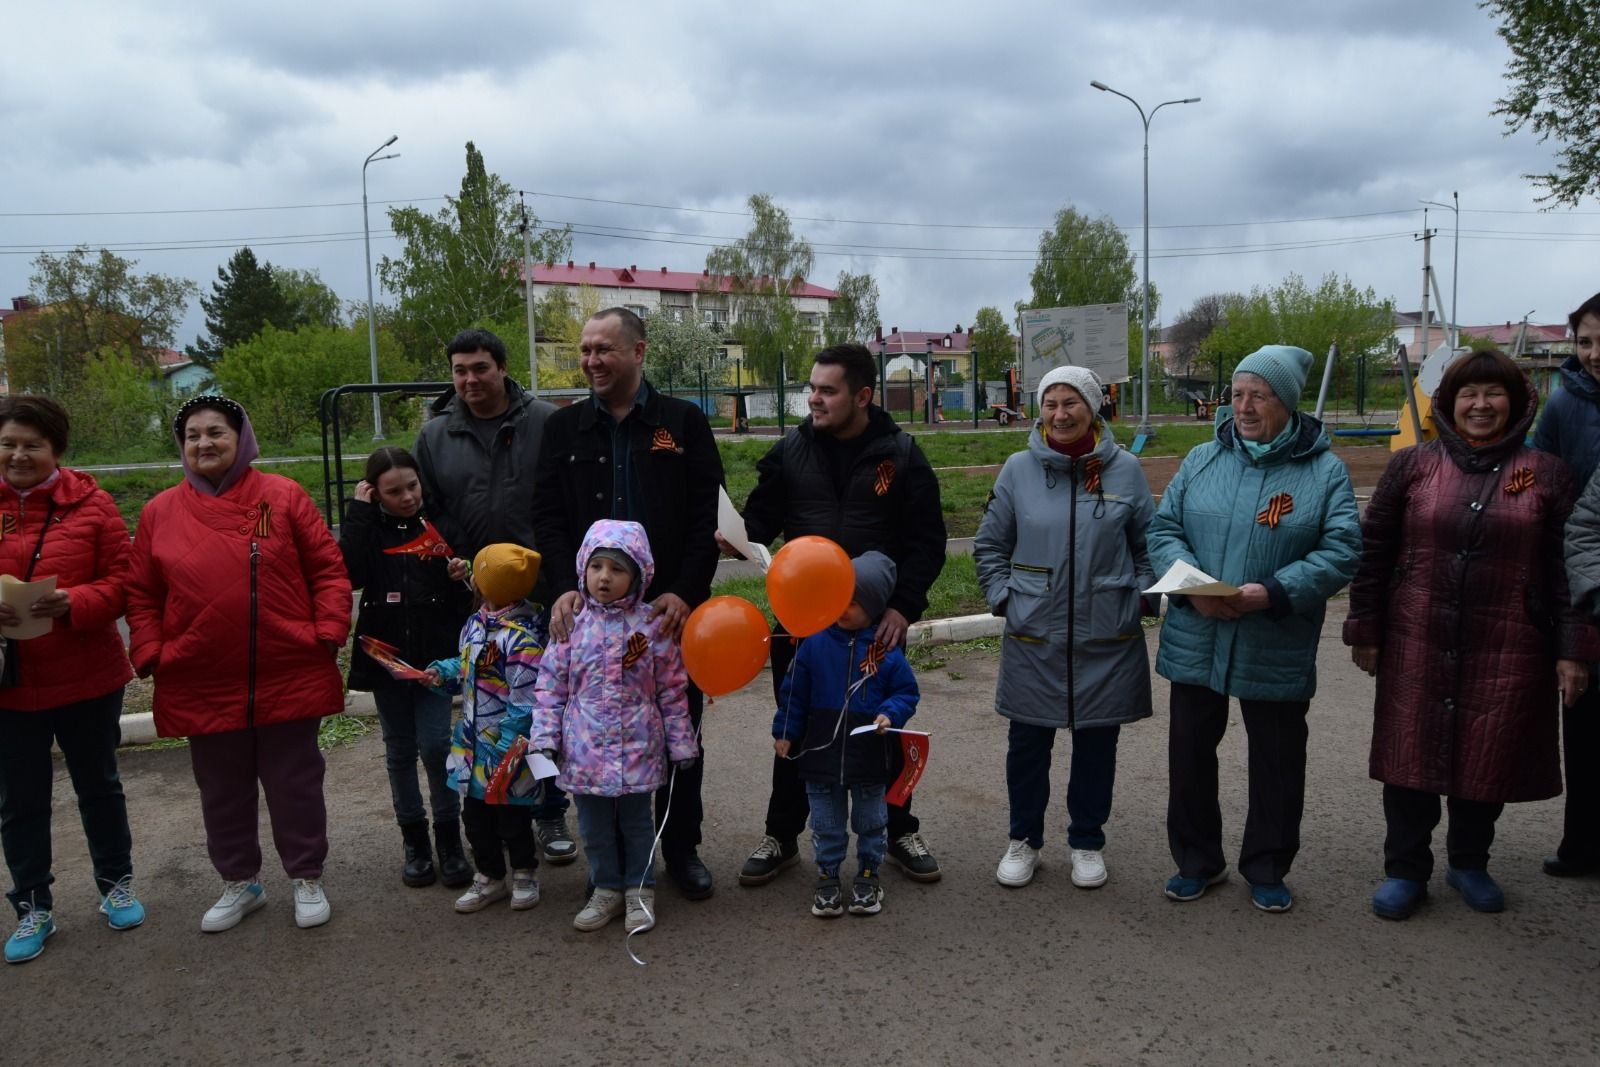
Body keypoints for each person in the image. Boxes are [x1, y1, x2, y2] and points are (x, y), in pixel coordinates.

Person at [1346, 350, 1598, 918]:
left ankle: (1469, 863)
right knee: (1409, 754)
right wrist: (1367, 627)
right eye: (1468, 394)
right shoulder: (1413, 466)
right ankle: (1406, 869)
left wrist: (1572, 650)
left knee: (1488, 753)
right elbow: (1376, 550)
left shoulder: (1547, 474)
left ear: (1516, 403)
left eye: (1494, 393)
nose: (1480, 405)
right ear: (1448, 402)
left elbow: (1567, 568)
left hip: (1509, 640)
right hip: (1418, 631)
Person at [1147, 345, 1361, 913]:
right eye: (1237, 394)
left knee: (1277, 760)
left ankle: (1267, 866)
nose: (1243, 406)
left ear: (1286, 402)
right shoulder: (1202, 460)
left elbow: (1342, 549)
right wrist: (1193, 587)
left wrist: (1273, 592)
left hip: (1275, 637)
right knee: (1190, 754)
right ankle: (1197, 861)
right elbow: (1163, 529)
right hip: (1200, 629)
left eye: (1258, 395)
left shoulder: (1323, 472)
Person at [125, 395, 352, 933]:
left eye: (216, 432)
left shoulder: (283, 496)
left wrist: (327, 633)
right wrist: (151, 650)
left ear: (241, 437)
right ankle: (240, 882)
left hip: (287, 668)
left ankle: (306, 876)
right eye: (193, 435)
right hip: (199, 676)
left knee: (295, 782)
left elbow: (328, 571)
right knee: (221, 790)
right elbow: (141, 593)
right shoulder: (160, 512)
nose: (205, 443)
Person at [724, 342, 947, 887]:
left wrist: (902, 607)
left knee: (881, 729)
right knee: (796, 729)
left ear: (863, 396)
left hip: (874, 625)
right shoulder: (790, 451)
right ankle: (782, 835)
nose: (814, 400)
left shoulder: (901, 455)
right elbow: (758, 522)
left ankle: (899, 832)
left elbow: (927, 543)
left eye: (827, 391)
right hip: (801, 628)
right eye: (812, 388)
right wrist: (732, 535)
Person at [532, 308, 723, 900]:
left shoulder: (682, 423)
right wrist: (564, 589)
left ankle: (681, 848)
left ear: (638, 352)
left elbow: (705, 518)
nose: (590, 360)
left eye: (603, 349)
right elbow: (546, 516)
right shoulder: (563, 430)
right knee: (584, 728)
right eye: (585, 350)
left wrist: (685, 592)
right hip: (587, 619)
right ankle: (608, 866)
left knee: (673, 726)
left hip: (664, 617)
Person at [972, 366, 1154, 891]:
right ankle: (1023, 840)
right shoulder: (1018, 470)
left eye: (1070, 402)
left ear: (1093, 407)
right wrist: (1005, 596)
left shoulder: (1127, 471)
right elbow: (989, 545)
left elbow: (1149, 545)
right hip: (1035, 634)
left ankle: (1087, 841)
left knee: (1098, 745)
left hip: (1107, 635)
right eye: (1050, 403)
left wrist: (1141, 595)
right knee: (1028, 743)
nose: (1059, 413)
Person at [414, 328, 575, 870]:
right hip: (474, 594)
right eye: (460, 370)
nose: (470, 380)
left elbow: (563, 499)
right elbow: (427, 508)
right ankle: (497, 808)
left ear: (503, 367)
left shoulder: (546, 422)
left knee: (547, 705)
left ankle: (551, 808)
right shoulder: (435, 435)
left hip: (547, 591)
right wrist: (464, 562)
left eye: (480, 368)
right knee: (490, 707)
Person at [0, 396, 141, 964]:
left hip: (87, 675)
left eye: (31, 444)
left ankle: (116, 884)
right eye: (8, 443)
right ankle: (32, 905)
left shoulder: (93, 505)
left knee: (99, 785)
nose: (18, 454)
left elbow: (126, 582)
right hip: (9, 683)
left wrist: (75, 601)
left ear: (56, 449)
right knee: (19, 800)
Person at [532, 520, 697, 934]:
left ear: (637, 575)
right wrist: (543, 740)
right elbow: (550, 688)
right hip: (584, 751)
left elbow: (672, 689)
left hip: (638, 746)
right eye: (597, 567)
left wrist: (681, 743)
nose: (604, 577)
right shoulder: (570, 625)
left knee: (638, 825)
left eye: (617, 570)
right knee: (593, 827)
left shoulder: (653, 626)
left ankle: (639, 890)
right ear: (583, 569)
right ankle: (605, 887)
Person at [340, 446, 475, 891]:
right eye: (393, 491)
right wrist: (357, 514)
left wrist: (462, 577)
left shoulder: (440, 523)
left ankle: (450, 842)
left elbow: (467, 599)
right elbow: (350, 573)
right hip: (384, 658)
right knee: (399, 751)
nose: (407, 497)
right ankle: (415, 844)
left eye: (412, 486)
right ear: (374, 493)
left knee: (436, 747)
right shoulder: (370, 528)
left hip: (435, 659)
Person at [772, 552, 919, 918]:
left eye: (852, 600)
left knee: (871, 820)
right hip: (819, 757)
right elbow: (795, 692)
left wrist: (890, 713)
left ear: (873, 605)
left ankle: (869, 875)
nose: (842, 607)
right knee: (826, 823)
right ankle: (828, 875)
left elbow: (906, 692)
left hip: (869, 755)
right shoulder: (814, 644)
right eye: (837, 596)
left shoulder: (886, 652)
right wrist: (785, 732)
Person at [422, 544, 546, 915]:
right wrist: (441, 673)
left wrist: (506, 749)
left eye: (479, 572)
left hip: (507, 751)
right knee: (474, 818)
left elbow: (526, 701)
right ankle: (490, 876)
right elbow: (465, 666)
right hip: (471, 744)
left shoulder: (522, 640)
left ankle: (524, 873)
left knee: (513, 817)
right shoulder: (476, 623)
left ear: (489, 584)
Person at [1534, 292, 1600, 878]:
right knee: (1583, 717)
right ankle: (1582, 843)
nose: (1596, 353)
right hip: (1579, 578)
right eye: (1585, 342)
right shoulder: (1563, 405)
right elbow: (1538, 479)